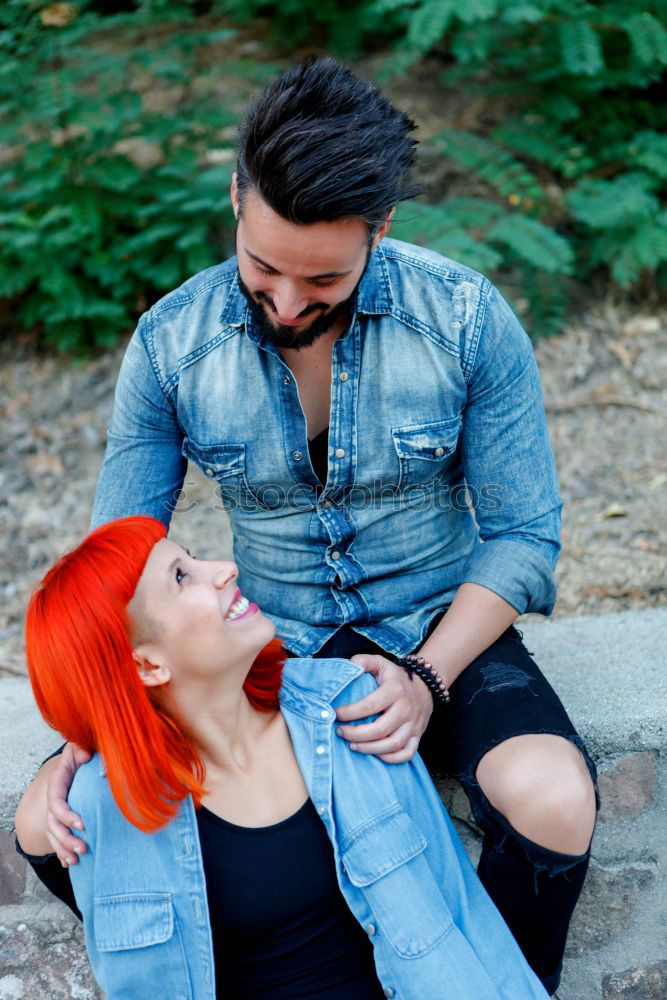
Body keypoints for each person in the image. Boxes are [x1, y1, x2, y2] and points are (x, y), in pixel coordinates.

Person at [43, 57, 598, 994]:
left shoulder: (465, 319)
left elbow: (522, 537)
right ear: (234, 200)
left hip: (441, 624)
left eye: (324, 279)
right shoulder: (172, 345)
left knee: (550, 797)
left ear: (381, 230)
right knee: (87, 829)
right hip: (274, 647)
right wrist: (75, 736)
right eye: (264, 269)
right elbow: (119, 564)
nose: (289, 304)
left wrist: (428, 674)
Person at [15, 518, 549, 1000]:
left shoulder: (350, 710)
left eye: (194, 557)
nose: (224, 569)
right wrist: (77, 747)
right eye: (182, 577)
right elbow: (36, 826)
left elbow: (460, 913)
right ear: (148, 666)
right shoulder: (100, 805)